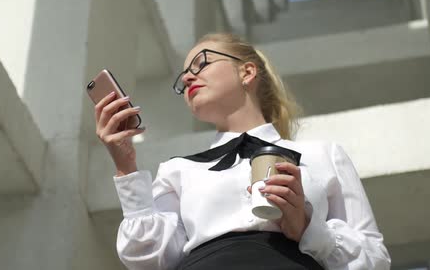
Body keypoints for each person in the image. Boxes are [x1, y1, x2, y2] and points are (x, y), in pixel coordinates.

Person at [94, 33, 391, 269]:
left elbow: (374, 258)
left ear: (247, 72)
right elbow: (148, 258)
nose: (186, 78)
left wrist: (307, 228)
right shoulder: (178, 170)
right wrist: (125, 166)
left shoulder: (323, 154)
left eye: (201, 63)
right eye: (183, 77)